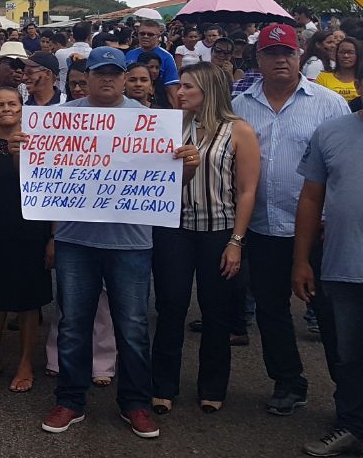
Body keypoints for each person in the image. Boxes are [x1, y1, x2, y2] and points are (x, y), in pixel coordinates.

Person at [41, 46, 200, 439]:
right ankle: (70, 400)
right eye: (100, 73)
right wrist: (21, 154)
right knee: (73, 323)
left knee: (132, 327)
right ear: (87, 76)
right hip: (75, 239)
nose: (107, 79)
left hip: (131, 242)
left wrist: (188, 170)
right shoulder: (62, 120)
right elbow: (37, 180)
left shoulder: (148, 122)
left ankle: (135, 403)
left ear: (126, 78)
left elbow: (165, 186)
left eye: (115, 73)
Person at [234, 24, 350, 417]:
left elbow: (343, 167)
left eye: (287, 52)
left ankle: (347, 395)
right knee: (270, 311)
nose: (280, 59)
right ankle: (288, 381)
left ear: (300, 55)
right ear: (259, 60)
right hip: (263, 227)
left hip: (319, 230)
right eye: (271, 53)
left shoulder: (329, 103)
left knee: (334, 316)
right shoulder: (241, 106)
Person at [151, 62, 260, 415]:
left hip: (219, 229)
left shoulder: (239, 131)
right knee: (170, 306)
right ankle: (162, 385)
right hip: (173, 229)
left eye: (188, 87)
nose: (179, 92)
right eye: (180, 86)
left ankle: (212, 387)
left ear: (209, 91)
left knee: (216, 312)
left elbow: (247, 190)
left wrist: (237, 241)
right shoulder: (171, 126)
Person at [291, 69, 363, 456]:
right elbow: (310, 200)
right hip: (345, 265)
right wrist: (301, 260)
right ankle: (351, 426)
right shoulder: (331, 132)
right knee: (347, 355)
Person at [0, 87, 52, 393]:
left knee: (28, 300)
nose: (7, 108)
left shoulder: (39, 142)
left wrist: (53, 237)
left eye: (12, 104)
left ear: (22, 107)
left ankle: (25, 362)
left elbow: (55, 191)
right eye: (0, 104)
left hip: (30, 232)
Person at [125, 19, 180, 107]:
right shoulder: (129, 55)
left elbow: (171, 89)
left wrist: (175, 115)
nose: (145, 36)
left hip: (157, 105)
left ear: (158, 36)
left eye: (150, 34)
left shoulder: (167, 57)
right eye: (142, 33)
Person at [317, 37, 361, 102]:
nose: (346, 56)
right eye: (342, 52)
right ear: (336, 54)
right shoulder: (323, 77)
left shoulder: (361, 79)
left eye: (350, 52)